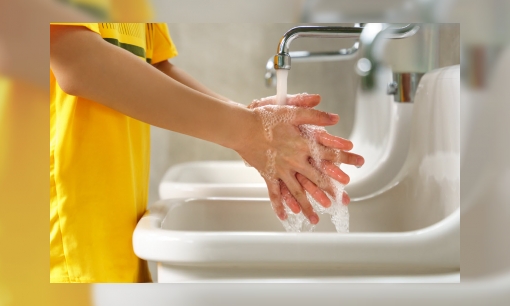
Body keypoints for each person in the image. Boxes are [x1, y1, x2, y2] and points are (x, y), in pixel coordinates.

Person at [49, 23, 364, 283]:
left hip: (112, 242)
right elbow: (79, 61)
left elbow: (155, 67)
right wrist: (251, 132)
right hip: (61, 250)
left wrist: (251, 121)